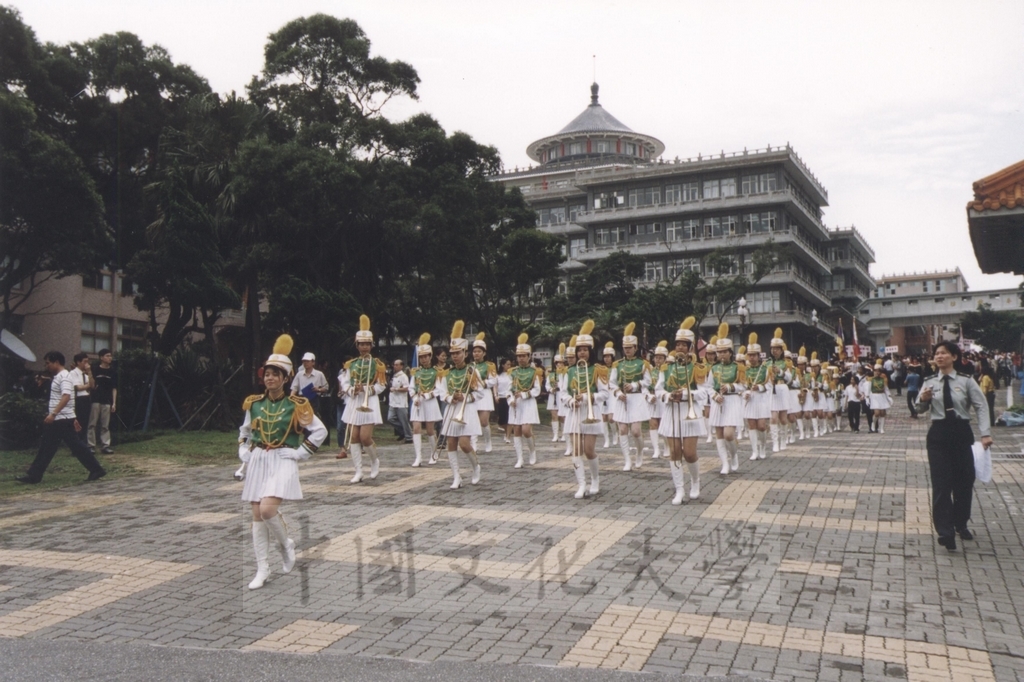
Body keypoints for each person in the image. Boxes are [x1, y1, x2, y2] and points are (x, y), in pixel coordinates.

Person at [238, 334, 327, 589]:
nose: (270, 378)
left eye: (276, 374)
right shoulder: (254, 403)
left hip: (284, 458)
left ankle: (287, 544)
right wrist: (243, 450)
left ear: (286, 378)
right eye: (267, 373)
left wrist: (301, 452)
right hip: (258, 460)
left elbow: (319, 432)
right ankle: (262, 568)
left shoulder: (297, 405)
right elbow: (244, 432)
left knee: (267, 510)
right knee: (257, 514)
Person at [915, 341, 992, 551]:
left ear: (954, 357)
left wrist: (985, 434)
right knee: (941, 484)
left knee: (964, 483)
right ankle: (945, 532)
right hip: (938, 435)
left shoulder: (966, 381)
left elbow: (981, 406)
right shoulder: (929, 381)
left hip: (961, 433)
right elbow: (919, 408)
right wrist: (923, 398)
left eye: (944, 353)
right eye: (936, 354)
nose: (939, 357)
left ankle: (961, 522)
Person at [17, 351, 106, 484]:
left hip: (60, 419)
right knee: (56, 446)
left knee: (58, 446)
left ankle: (34, 475)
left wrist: (53, 414)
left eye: (48, 363)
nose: (47, 366)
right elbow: (68, 398)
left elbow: (66, 396)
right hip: (63, 418)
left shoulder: (64, 377)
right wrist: (71, 417)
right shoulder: (61, 376)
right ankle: (34, 475)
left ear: (56, 362)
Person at [656, 317, 707, 504]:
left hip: (689, 411)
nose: (680, 348)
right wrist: (668, 396)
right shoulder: (666, 368)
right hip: (672, 411)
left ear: (690, 347)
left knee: (690, 453)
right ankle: (679, 490)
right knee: (675, 451)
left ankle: (695, 481)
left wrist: (685, 394)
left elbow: (704, 393)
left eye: (684, 345)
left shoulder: (698, 368)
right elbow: (658, 389)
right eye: (678, 344)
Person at [563, 320, 609, 499]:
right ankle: (581, 484)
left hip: (591, 411)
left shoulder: (598, 370)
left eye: (585, 349)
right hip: (574, 412)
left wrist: (590, 397)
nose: (582, 352)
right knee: (576, 450)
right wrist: (570, 401)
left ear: (591, 351)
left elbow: (605, 394)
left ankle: (595, 479)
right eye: (579, 349)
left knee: (589, 450)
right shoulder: (569, 371)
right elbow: (563, 393)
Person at [340, 315, 386, 483]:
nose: (364, 347)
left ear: (371, 345)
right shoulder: (350, 364)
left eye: (367, 344)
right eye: (362, 344)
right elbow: (344, 383)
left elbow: (382, 385)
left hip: (369, 401)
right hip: (354, 401)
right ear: (357, 345)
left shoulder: (377, 364)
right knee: (353, 437)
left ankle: (374, 461)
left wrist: (367, 389)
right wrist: (352, 389)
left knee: (365, 437)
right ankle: (358, 471)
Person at [440, 321, 484, 489]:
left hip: (467, 410)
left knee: (464, 444)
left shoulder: (473, 371)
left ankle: (475, 466)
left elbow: (479, 393)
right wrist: (451, 397)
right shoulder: (446, 373)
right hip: (452, 410)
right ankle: (456, 477)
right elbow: (441, 392)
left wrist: (465, 397)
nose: (455, 356)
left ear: (465, 353)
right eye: (453, 353)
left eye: (458, 353)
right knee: (451, 444)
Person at [609, 322, 651, 471]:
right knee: (622, 430)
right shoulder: (617, 364)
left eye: (630, 348)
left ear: (635, 348)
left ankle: (639, 453)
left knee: (636, 431)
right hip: (622, 399)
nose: (627, 350)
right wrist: (619, 393)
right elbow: (612, 383)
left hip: (637, 398)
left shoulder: (643, 363)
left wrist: (633, 385)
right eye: (625, 348)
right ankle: (627, 460)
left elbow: (648, 381)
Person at [710, 323, 745, 474]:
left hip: (732, 401)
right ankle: (724, 463)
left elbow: (743, 386)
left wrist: (731, 387)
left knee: (729, 434)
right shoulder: (713, 368)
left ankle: (734, 454)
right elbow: (707, 386)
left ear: (731, 352)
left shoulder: (739, 367)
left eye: (725, 352)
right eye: (720, 352)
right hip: (718, 402)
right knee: (719, 434)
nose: (722, 354)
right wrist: (715, 395)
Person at [508, 333, 542, 468]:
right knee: (516, 430)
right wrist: (510, 399)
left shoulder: (535, 372)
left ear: (529, 356)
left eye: (524, 356)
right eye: (519, 356)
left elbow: (537, 390)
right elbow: (508, 390)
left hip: (527, 403)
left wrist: (524, 395)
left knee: (526, 430)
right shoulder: (512, 372)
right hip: (516, 404)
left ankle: (532, 451)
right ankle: (520, 458)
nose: (521, 359)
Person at [409, 335, 442, 467]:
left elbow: (439, 390)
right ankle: (418, 457)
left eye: (426, 356)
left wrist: (427, 395)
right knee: (416, 428)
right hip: (418, 403)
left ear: (430, 356)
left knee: (430, 430)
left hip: (430, 402)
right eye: (421, 357)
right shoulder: (415, 372)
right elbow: (411, 388)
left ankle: (433, 454)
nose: (424, 359)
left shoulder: (437, 372)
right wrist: (415, 397)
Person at [291, 352, 330, 445]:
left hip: (313, 399)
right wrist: (291, 398)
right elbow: (294, 388)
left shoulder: (319, 374)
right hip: (301, 399)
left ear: (313, 362)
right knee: (299, 421)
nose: (306, 363)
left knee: (311, 420)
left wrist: (319, 389)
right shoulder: (299, 374)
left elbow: (326, 387)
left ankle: (307, 442)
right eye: (304, 361)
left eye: (308, 361)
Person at [743, 334, 770, 461]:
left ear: (759, 356)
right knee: (751, 425)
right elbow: (742, 386)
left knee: (762, 426)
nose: (751, 358)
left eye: (754, 355)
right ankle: (754, 451)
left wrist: (759, 387)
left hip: (761, 399)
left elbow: (769, 385)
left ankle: (763, 447)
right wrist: (745, 393)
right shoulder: (744, 370)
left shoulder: (765, 369)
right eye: (749, 355)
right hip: (750, 399)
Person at [471, 333, 498, 452]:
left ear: (484, 353)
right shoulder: (469, 366)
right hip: (473, 394)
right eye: (474, 351)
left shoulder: (490, 366)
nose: (476, 353)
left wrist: (484, 383)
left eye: (479, 351)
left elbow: (494, 380)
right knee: (473, 420)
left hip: (485, 394)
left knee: (483, 421)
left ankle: (488, 441)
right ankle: (474, 445)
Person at [88, 349, 117, 454]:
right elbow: (91, 384)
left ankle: (105, 445)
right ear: (101, 357)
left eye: (110, 356)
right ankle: (91, 445)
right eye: (107, 356)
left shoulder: (112, 371)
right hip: (95, 399)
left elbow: (114, 388)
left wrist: (114, 402)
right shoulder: (95, 369)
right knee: (92, 423)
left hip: (107, 401)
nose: (110, 358)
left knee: (105, 425)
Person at [766, 330, 790, 452]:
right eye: (772, 348)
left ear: (781, 350)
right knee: (773, 418)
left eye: (777, 348)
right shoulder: (767, 363)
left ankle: (783, 440)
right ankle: (775, 442)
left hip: (782, 389)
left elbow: (789, 378)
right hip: (772, 390)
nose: (774, 350)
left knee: (783, 418)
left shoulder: (786, 363)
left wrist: (780, 372)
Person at [647, 342, 669, 460]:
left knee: (663, 424)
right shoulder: (650, 371)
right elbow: (645, 385)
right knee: (653, 424)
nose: (658, 360)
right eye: (656, 357)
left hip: (664, 400)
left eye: (661, 358)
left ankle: (667, 446)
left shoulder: (668, 371)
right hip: (652, 400)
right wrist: (649, 396)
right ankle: (656, 449)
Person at [68, 352, 94, 450]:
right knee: (79, 422)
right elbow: (78, 387)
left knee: (86, 422)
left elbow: (92, 385)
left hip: (86, 398)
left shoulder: (85, 373)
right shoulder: (73, 373)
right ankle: (77, 446)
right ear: (78, 362)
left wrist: (90, 372)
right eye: (84, 362)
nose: (87, 364)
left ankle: (83, 444)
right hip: (79, 399)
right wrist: (88, 386)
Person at [386, 359, 413, 443]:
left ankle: (409, 437)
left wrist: (396, 389)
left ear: (401, 366)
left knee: (403, 420)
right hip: (393, 401)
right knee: (390, 418)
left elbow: (406, 388)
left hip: (401, 402)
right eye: (394, 365)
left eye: (397, 365)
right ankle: (403, 431)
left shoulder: (403, 376)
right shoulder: (394, 375)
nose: (395, 366)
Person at [600, 342, 618, 449]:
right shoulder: (601, 368)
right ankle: (606, 439)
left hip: (613, 394)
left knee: (611, 418)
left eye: (609, 356)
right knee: (603, 417)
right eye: (605, 356)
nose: (607, 359)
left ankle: (615, 434)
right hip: (604, 394)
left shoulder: (616, 367)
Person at [547, 346, 566, 442]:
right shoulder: (551, 374)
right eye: (557, 363)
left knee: (562, 415)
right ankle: (555, 435)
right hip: (553, 396)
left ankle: (563, 434)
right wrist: (551, 389)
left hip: (561, 396)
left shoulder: (565, 373)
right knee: (554, 415)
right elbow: (546, 386)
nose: (559, 364)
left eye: (561, 363)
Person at [868, 360, 892, 433]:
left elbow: (886, 389)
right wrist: (867, 398)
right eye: (876, 371)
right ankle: (873, 423)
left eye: (879, 371)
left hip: (882, 396)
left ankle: (881, 428)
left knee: (882, 413)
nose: (877, 372)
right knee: (877, 413)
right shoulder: (870, 379)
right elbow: (868, 389)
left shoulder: (883, 380)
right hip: (874, 396)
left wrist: (889, 396)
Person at [496, 358, 513, 444]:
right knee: (502, 420)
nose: (509, 366)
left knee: (509, 418)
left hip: (509, 397)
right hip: (501, 397)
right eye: (507, 364)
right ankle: (507, 432)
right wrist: (495, 395)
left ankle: (508, 436)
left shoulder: (512, 375)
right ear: (503, 365)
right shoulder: (498, 375)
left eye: (510, 364)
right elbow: (495, 386)